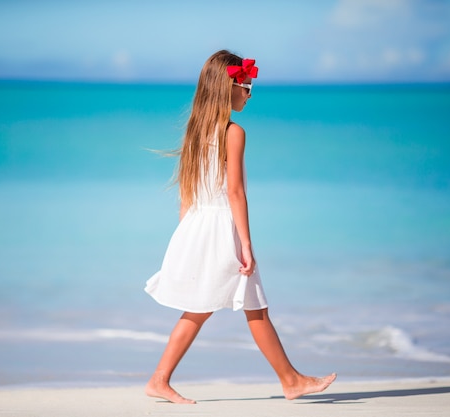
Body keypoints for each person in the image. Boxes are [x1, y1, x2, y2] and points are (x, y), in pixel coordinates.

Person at [144, 50, 336, 404]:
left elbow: (188, 195)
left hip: (196, 227)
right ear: (227, 88)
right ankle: (290, 380)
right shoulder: (234, 132)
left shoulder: (195, 133)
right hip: (221, 230)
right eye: (245, 86)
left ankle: (160, 379)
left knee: (209, 308)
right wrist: (246, 243)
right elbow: (235, 192)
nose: (249, 94)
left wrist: (186, 238)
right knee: (248, 307)